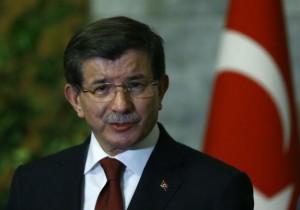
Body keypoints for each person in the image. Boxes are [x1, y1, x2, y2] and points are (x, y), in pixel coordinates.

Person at [6, 16, 254, 210]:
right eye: (102, 88)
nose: (121, 105)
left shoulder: (217, 189)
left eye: (135, 85)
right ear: (75, 100)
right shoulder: (32, 184)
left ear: (162, 91)